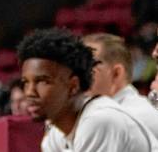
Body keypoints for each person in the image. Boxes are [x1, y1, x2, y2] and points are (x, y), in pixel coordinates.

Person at [18, 28, 158, 151]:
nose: (30, 92)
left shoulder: (102, 118)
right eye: (25, 82)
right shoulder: (59, 128)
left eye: (43, 81)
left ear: (73, 85)